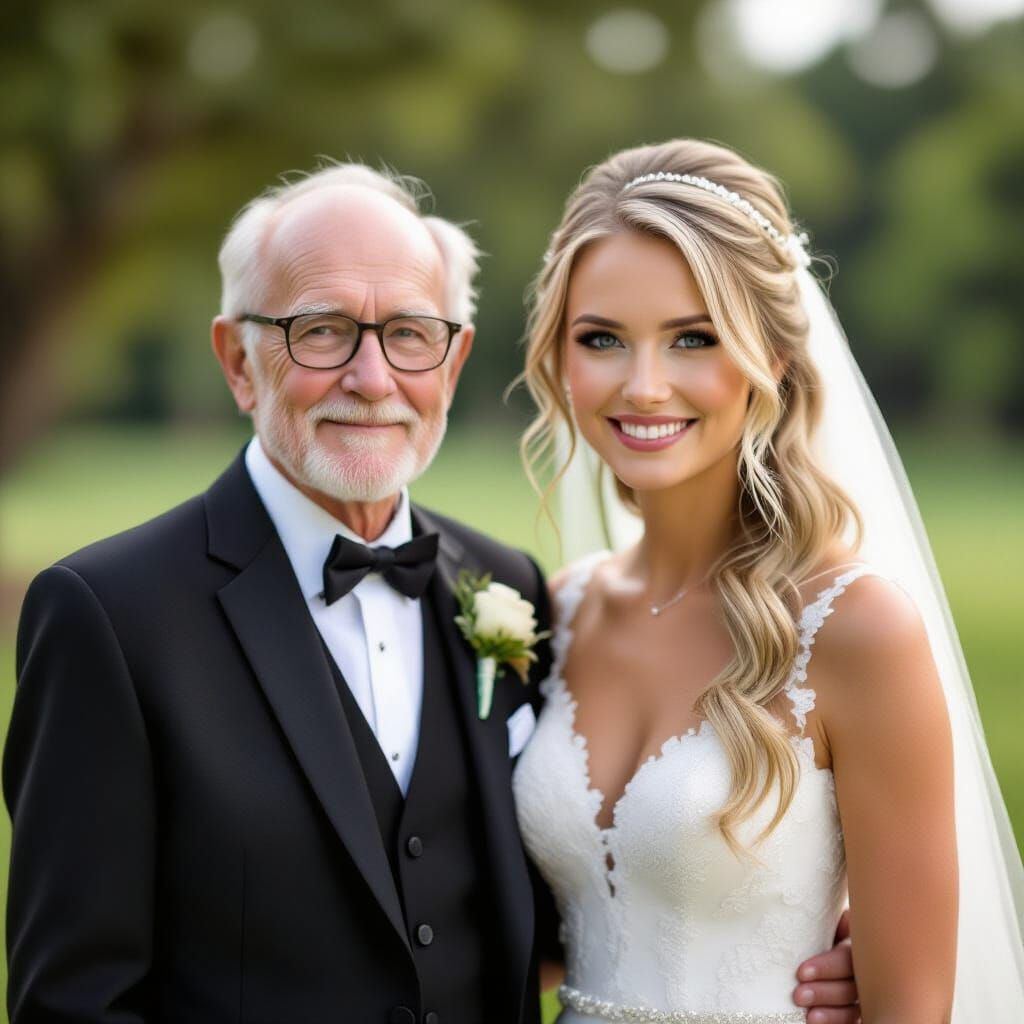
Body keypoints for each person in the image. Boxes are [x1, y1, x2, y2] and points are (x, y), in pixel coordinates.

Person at [5, 162, 861, 1023]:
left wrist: (792, 936)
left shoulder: (507, 590)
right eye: (324, 330)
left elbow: (527, 909)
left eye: (409, 334)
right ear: (238, 360)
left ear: (450, 363)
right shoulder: (108, 616)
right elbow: (74, 1003)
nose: (373, 379)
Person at [513, 139, 1024, 1023]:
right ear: (560, 356)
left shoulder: (856, 630)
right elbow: (554, 933)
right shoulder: (561, 607)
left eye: (694, 338)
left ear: (773, 359)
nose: (644, 385)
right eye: (602, 338)